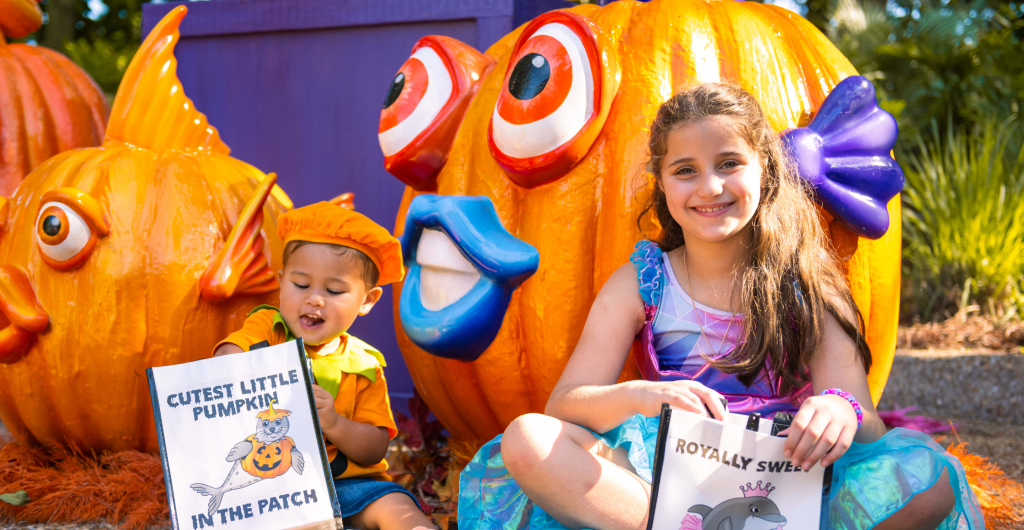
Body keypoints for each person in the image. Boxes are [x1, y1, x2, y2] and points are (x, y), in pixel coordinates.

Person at [458, 84, 984, 530]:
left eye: (729, 163)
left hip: (790, 483)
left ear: (765, 170)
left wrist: (839, 410)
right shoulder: (642, 282)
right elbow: (565, 406)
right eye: (685, 170)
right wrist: (640, 396)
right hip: (662, 483)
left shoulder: (807, 284)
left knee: (929, 478)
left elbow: (867, 428)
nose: (710, 187)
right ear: (662, 184)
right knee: (528, 440)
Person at [214, 201, 434, 530]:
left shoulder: (363, 365)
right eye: (301, 285)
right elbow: (228, 354)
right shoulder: (268, 330)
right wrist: (234, 366)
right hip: (275, 487)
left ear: (367, 300)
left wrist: (334, 423)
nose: (315, 299)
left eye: (334, 290)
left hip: (348, 487)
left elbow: (374, 450)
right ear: (281, 282)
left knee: (394, 504)